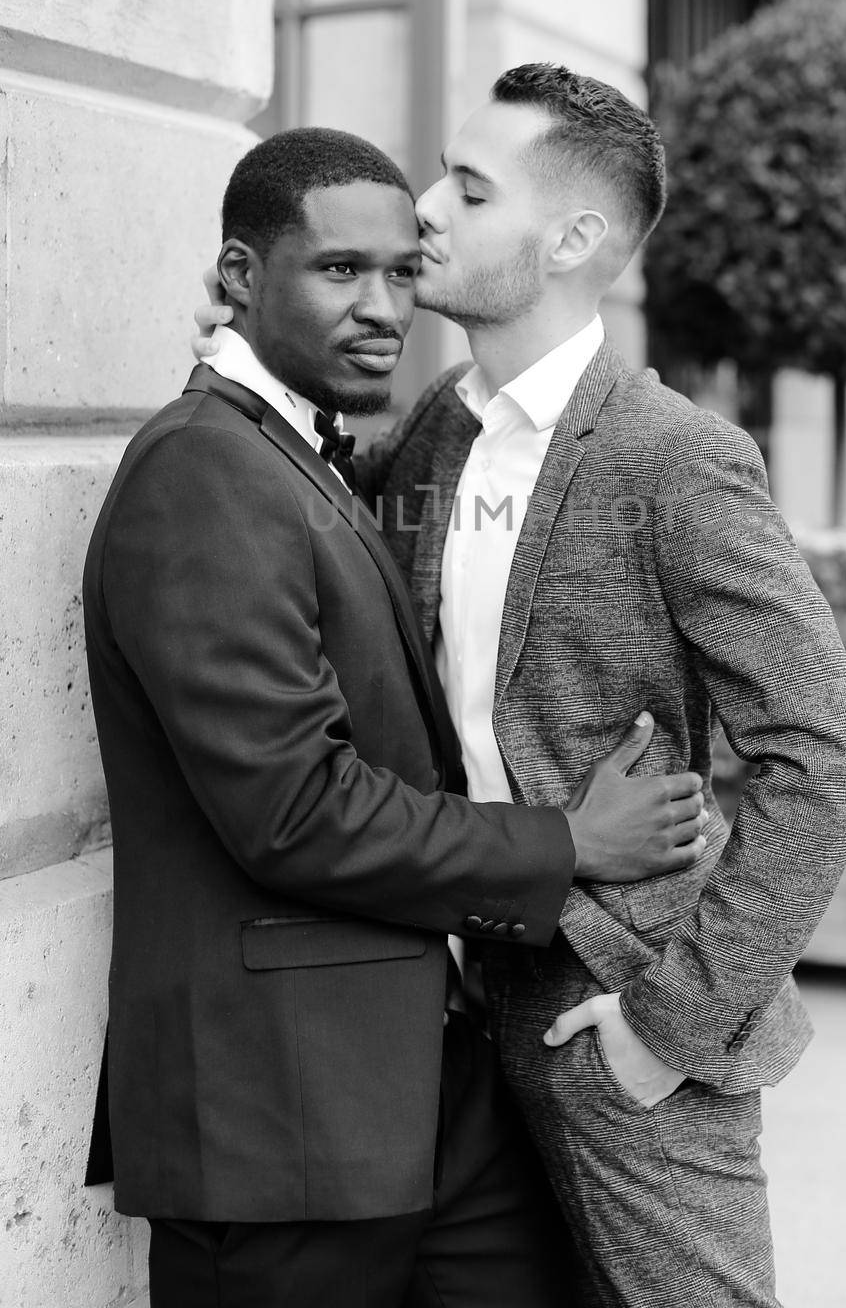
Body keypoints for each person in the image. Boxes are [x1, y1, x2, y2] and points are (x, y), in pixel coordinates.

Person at [193, 73, 846, 1308]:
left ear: (571, 242)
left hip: (622, 1019)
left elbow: (819, 757)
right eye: (437, 173)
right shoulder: (428, 437)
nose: (422, 212)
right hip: (450, 1013)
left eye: (468, 187)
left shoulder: (675, 458)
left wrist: (668, 1024)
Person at [85, 127, 711, 1308]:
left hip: (421, 1078)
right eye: (336, 272)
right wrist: (571, 843)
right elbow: (294, 809)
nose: (381, 306)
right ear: (234, 278)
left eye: (397, 272)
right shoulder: (199, 472)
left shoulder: (303, 453)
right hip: (281, 1118)